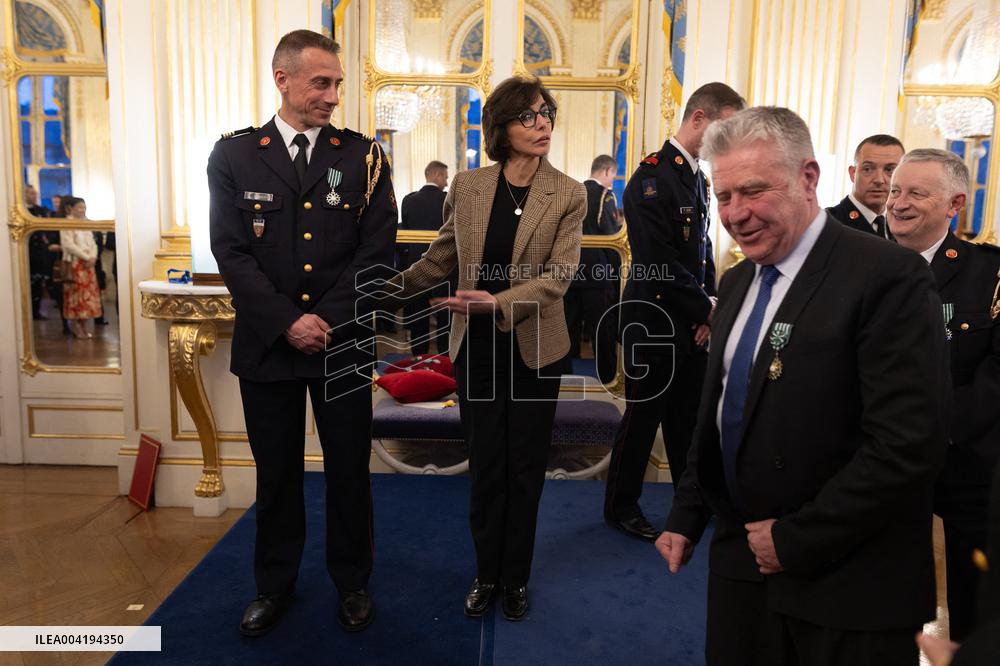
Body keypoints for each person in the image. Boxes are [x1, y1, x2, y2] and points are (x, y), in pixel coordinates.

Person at [657, 107, 947, 665]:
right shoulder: (738, 280)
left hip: (847, 584)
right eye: (723, 198)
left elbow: (909, 445)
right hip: (742, 568)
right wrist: (688, 513)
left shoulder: (889, 277)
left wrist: (795, 540)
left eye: (754, 191)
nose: (736, 214)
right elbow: (719, 410)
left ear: (808, 178)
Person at [208, 29, 396, 637]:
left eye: (337, 83)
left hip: (341, 346)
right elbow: (231, 253)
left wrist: (327, 322)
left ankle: (353, 583)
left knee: (348, 472)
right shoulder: (234, 155)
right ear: (282, 79)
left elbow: (377, 253)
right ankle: (274, 584)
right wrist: (287, 320)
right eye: (321, 82)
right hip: (268, 346)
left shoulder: (363, 157)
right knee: (278, 474)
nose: (333, 95)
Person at [381, 76, 585, 621]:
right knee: (488, 469)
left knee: (524, 470)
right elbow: (438, 262)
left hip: (534, 352)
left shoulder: (569, 193)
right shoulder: (469, 187)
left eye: (546, 113)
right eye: (528, 116)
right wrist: (381, 290)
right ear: (502, 127)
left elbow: (559, 278)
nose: (542, 124)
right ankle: (486, 573)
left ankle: (515, 578)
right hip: (477, 355)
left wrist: (496, 303)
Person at [604, 82, 745, 541]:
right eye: (725, 127)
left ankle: (693, 505)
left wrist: (707, 311)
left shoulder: (696, 177)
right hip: (654, 321)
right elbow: (657, 261)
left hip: (688, 320)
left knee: (689, 418)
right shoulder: (651, 176)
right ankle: (620, 507)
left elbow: (700, 255)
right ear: (699, 119)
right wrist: (705, 308)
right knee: (644, 419)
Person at [889, 148, 1000, 642]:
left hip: (964, 462)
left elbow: (994, 378)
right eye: (895, 191)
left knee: (974, 603)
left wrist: (926, 430)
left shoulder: (989, 274)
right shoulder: (852, 264)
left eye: (916, 193)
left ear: (955, 204)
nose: (899, 203)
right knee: (878, 592)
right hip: (877, 465)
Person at [564, 154, 621, 384]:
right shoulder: (605, 197)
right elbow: (611, 236)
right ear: (607, 171)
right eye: (614, 177)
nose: (613, 182)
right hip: (596, 272)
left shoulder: (572, 193)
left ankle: (565, 377)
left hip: (568, 270)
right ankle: (607, 378)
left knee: (568, 326)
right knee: (602, 328)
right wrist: (615, 272)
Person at [399, 160, 453, 356]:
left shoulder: (409, 200)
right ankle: (444, 360)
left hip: (417, 267)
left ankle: (418, 358)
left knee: (418, 318)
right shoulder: (448, 200)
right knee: (444, 318)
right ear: (437, 175)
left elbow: (404, 230)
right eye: (445, 177)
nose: (447, 182)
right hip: (444, 268)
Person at [826, 134, 904, 240]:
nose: (879, 180)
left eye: (890, 170)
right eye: (868, 169)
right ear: (853, 174)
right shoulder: (828, 223)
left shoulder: (904, 225)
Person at [58, 197, 102, 340]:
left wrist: (93, 257)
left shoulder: (85, 223)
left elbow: (93, 243)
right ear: (71, 208)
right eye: (79, 207)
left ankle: (84, 325)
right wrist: (85, 256)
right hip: (76, 264)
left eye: (84, 207)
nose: (82, 210)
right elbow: (68, 245)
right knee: (76, 297)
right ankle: (76, 326)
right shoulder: (67, 223)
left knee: (88, 297)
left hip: (88, 266)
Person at [25, 185, 55, 320]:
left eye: (35, 193)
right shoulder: (22, 211)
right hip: (27, 253)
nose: (34, 196)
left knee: (38, 284)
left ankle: (36, 312)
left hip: (40, 255)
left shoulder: (41, 211)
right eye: (31, 193)